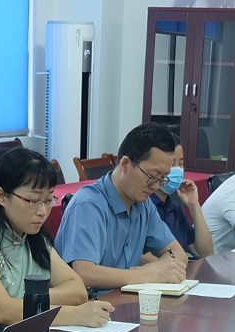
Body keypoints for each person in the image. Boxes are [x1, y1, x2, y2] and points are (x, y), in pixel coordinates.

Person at [0, 146, 113, 332]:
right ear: (2, 196)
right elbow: (2, 311)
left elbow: (77, 292)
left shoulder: (33, 239)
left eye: (48, 200)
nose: (42, 211)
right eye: (33, 201)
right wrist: (74, 314)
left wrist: (25, 300)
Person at [55, 122, 190, 292]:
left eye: (162, 179)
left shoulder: (144, 205)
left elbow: (179, 254)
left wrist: (160, 269)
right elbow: (85, 274)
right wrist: (148, 274)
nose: (156, 186)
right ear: (125, 164)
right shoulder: (89, 204)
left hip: (125, 301)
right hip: (90, 305)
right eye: (152, 176)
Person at [147, 140, 214, 257]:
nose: (177, 169)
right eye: (172, 163)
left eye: (181, 164)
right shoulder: (144, 206)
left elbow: (205, 253)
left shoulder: (174, 208)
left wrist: (194, 206)